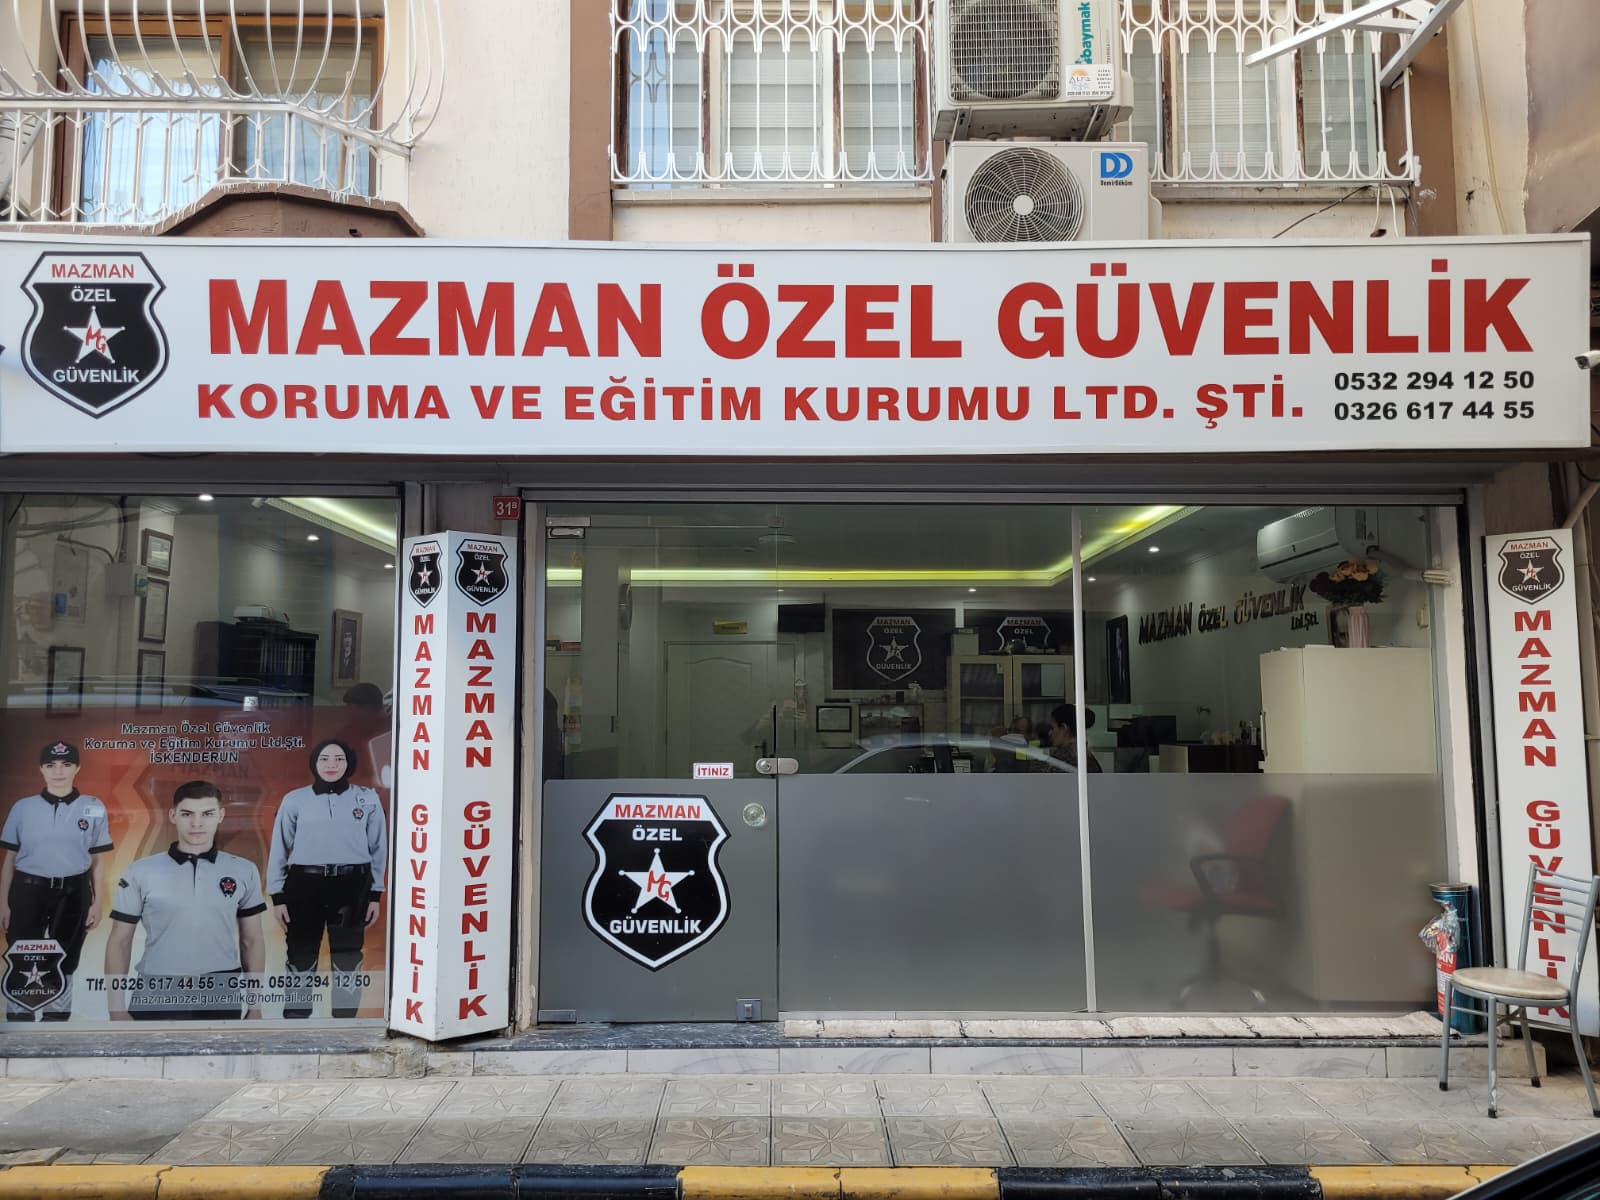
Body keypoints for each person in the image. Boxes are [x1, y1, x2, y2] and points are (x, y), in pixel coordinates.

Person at [104, 780, 266, 1021]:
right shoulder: (140, 871)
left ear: (221, 815)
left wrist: (255, 1006)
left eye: (207, 814)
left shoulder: (244, 870)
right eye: (187, 814)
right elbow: (120, 941)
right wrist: (116, 1009)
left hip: (220, 987)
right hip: (157, 986)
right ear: (173, 816)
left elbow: (251, 941)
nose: (197, 823)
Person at [267, 738, 387, 1018]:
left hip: (351, 885)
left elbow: (379, 847)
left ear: (349, 763)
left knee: (348, 955)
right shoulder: (295, 799)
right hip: (303, 885)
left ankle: (345, 1020)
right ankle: (296, 1019)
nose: (331, 764)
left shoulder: (367, 798)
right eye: (324, 758)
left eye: (339, 759)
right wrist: (278, 896)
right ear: (314, 763)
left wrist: (375, 894)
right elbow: (279, 848)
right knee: (300, 953)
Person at [0, 741, 113, 1021]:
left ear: (77, 768)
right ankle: (20, 1021)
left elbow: (97, 861)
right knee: (22, 956)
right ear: (41, 769)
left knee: (66, 957)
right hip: (28, 891)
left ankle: (56, 1021)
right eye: (50, 765)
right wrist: (3, 902)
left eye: (66, 764)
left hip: (74, 891)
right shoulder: (23, 808)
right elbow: (9, 860)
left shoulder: (93, 806)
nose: (58, 771)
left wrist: (98, 902)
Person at [1045, 703, 1103, 773]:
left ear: (1063, 728)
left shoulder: (1060, 760)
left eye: (1052, 728)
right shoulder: (1089, 758)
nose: (1050, 733)